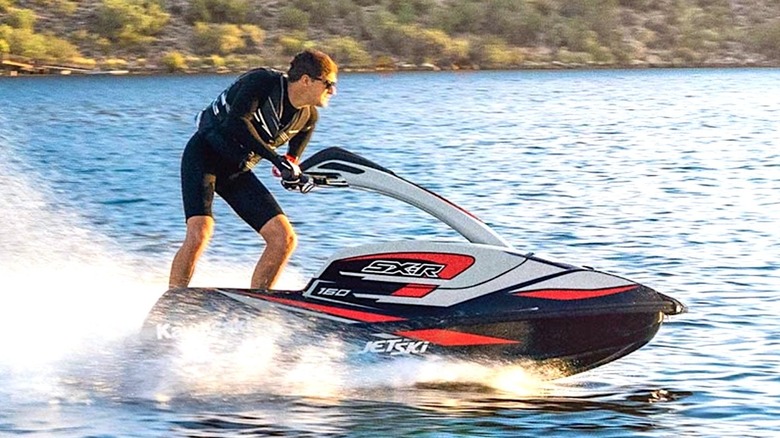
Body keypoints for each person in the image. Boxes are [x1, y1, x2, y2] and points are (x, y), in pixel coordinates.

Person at [168, 49, 338, 290]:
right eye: (329, 84)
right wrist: (275, 159)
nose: (333, 91)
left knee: (284, 239)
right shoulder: (262, 82)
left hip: (236, 171)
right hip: (204, 155)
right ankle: (174, 300)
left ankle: (259, 303)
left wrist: (293, 174)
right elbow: (236, 123)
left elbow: (290, 162)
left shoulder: (308, 118)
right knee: (200, 232)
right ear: (306, 80)